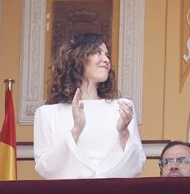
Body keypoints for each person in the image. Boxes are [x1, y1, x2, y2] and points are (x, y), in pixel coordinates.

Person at [33, 33, 146, 179]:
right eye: (98, 52)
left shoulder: (122, 107)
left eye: (107, 55)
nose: (106, 60)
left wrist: (123, 132)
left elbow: (137, 165)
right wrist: (76, 130)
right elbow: (45, 169)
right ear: (78, 57)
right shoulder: (47, 114)